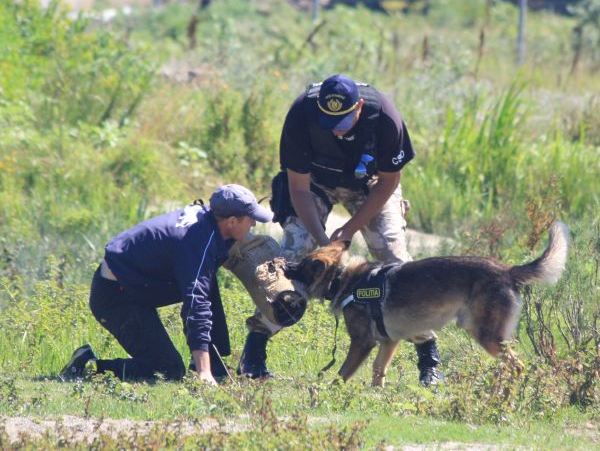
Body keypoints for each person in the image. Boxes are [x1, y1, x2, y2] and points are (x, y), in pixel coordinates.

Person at [237, 74, 443, 386]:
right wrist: (323, 243)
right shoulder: (301, 114)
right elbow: (298, 188)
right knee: (293, 254)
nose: (335, 127)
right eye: (328, 120)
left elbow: (389, 181)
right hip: (315, 184)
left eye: (343, 119)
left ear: (359, 106)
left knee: (394, 260)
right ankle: (254, 351)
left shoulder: (385, 117)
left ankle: (429, 358)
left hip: (371, 185)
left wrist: (348, 229)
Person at [60, 184, 273, 385]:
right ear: (232, 221)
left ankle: (215, 366)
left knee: (206, 283)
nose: (254, 224)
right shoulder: (198, 241)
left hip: (135, 287)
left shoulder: (209, 223)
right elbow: (195, 305)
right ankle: (88, 367)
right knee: (168, 370)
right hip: (116, 298)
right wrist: (203, 373)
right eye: (250, 219)